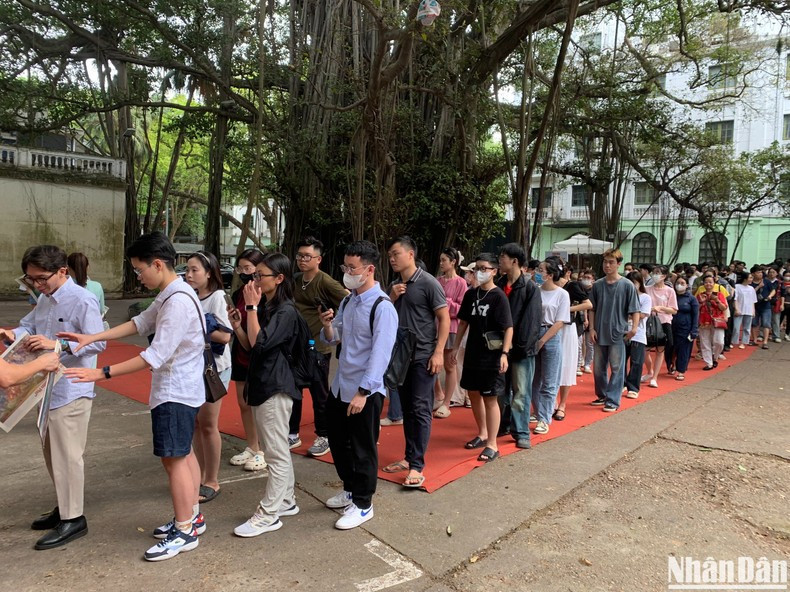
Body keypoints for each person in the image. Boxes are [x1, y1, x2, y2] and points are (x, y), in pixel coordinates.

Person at [61, 232, 204, 561]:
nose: (138, 278)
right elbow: (139, 322)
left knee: (175, 459)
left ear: (158, 264)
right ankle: (192, 517)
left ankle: (185, 530)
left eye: (139, 271)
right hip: (181, 388)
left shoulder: (178, 300)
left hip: (175, 390)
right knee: (182, 455)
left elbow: (154, 355)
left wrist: (102, 373)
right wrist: (91, 337)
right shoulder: (173, 292)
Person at [1, 246, 105, 551]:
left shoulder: (82, 299)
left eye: (41, 278)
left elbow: (97, 344)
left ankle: (74, 519)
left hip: (72, 386)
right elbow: (30, 325)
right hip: (45, 388)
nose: (36, 285)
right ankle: (64, 506)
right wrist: (13, 332)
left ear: (63, 271)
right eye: (31, 279)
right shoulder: (44, 298)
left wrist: (57, 346)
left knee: (68, 455)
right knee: (52, 452)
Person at [319, 241, 398, 529]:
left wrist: (364, 392)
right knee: (338, 442)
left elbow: (381, 354)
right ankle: (350, 489)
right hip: (341, 385)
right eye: (345, 267)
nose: (347, 273)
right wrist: (327, 325)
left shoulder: (382, 307)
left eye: (352, 268)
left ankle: (364, 503)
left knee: (363, 446)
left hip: (365, 390)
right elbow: (332, 337)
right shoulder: (348, 300)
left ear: (369, 269)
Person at [232, 253, 303, 537]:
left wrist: (250, 307)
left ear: (280, 278)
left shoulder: (285, 311)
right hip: (264, 384)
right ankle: (286, 501)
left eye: (260, 275)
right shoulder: (269, 307)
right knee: (278, 449)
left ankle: (269, 513)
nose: (254, 280)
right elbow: (250, 346)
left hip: (276, 387)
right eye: (253, 275)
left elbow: (260, 344)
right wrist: (240, 323)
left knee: (275, 453)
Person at [382, 236, 450, 489]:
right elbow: (385, 317)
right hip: (400, 356)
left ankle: (416, 466)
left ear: (410, 254)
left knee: (421, 409)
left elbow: (443, 318)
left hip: (423, 354)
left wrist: (439, 352)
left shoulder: (428, 282)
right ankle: (409, 457)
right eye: (389, 255)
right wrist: (392, 296)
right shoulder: (395, 285)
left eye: (396, 253)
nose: (392, 259)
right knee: (408, 409)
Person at [451, 253, 512, 462]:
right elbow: (463, 323)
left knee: (490, 397)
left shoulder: (499, 296)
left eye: (484, 268)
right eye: (477, 268)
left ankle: (492, 444)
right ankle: (482, 432)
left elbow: (508, 327)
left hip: (492, 356)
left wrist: (504, 353)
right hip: (473, 353)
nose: (479, 272)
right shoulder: (471, 295)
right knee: (474, 394)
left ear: (494, 271)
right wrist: (455, 347)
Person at [291, 236, 348, 457]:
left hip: (318, 347)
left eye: (307, 256)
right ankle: (292, 432)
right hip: (295, 345)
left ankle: (324, 435)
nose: (302, 260)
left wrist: (333, 323)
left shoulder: (326, 282)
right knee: (293, 391)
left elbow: (348, 301)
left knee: (319, 393)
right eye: (299, 256)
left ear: (319, 259)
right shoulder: (295, 280)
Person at [184, 251, 232, 504]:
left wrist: (193, 324)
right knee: (194, 423)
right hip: (192, 368)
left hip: (214, 369)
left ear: (209, 273)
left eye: (195, 270)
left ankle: (212, 479)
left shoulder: (217, 298)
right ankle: (199, 474)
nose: (189, 275)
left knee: (208, 424)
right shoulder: (188, 296)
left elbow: (225, 336)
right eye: (187, 270)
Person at [496, 243, 541, 449]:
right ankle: (502, 425)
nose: (500, 260)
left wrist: (519, 347)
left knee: (521, 391)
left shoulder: (529, 287)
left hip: (521, 349)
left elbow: (532, 323)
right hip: (499, 347)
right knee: (500, 391)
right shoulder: (498, 284)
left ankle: (521, 431)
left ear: (514, 261)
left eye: (503, 256)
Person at [226, 249, 267, 472]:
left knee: (259, 405)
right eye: (240, 268)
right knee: (243, 403)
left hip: (259, 354)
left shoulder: (265, 294)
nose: (243, 273)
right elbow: (240, 330)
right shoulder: (239, 293)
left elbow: (258, 336)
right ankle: (252, 446)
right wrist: (234, 324)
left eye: (248, 269)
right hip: (241, 352)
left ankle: (264, 450)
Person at [588, 249, 640, 412]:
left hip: (618, 332)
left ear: (619, 264)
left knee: (617, 367)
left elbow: (635, 309)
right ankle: (602, 395)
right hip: (599, 331)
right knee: (598, 367)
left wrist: (634, 328)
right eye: (605, 262)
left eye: (611, 262)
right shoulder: (597, 285)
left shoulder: (627, 285)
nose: (607, 265)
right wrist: (591, 328)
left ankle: (613, 399)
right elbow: (592, 308)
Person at [530, 257, 570, 433]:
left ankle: (544, 419)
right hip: (533, 333)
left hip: (551, 335)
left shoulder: (562, 294)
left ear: (550, 274)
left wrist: (542, 340)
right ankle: (540, 412)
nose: (537, 273)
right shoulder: (535, 291)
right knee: (533, 380)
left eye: (541, 270)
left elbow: (560, 322)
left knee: (549, 381)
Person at [433, 247, 467, 419]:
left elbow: (463, 309)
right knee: (432, 363)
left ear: (453, 262)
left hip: (452, 327)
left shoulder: (461, 283)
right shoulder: (437, 281)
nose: (441, 263)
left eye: (444, 260)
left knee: (449, 365)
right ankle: (438, 394)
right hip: (435, 326)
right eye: (440, 260)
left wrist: (446, 304)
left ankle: (447, 402)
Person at [554, 264, 591, 419]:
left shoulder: (573, 286)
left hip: (568, 328)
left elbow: (588, 304)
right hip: (551, 327)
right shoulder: (546, 287)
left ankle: (562, 404)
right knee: (551, 366)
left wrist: (566, 309)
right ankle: (551, 402)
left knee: (566, 365)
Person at [643, 265, 677, 387]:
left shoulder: (670, 291)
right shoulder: (647, 289)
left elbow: (674, 310)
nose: (655, 275)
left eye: (658, 273)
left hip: (664, 322)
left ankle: (655, 377)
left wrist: (661, 308)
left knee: (660, 350)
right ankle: (649, 371)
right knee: (644, 350)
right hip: (648, 322)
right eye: (654, 272)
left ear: (664, 276)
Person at [623, 271, 652, 398]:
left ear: (640, 283)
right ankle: (622, 383)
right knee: (621, 361)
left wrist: (630, 315)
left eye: (634, 282)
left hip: (638, 334)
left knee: (636, 361)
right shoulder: (623, 296)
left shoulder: (645, 297)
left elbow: (643, 314)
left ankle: (633, 387)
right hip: (622, 332)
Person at [67, 252, 107, 326]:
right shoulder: (97, 286)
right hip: (93, 327)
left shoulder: (63, 287)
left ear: (68, 268)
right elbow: (101, 310)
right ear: (87, 267)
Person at [697, 275, 728, 370]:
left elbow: (724, 308)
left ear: (714, 283)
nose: (708, 284)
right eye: (706, 282)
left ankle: (715, 356)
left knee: (719, 342)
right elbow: (696, 309)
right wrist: (701, 302)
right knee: (705, 342)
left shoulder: (719, 294)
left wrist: (717, 300)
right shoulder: (700, 295)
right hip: (704, 321)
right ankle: (709, 363)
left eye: (710, 282)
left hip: (717, 320)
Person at [671, 276, 699, 381]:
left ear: (687, 285)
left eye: (682, 283)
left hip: (685, 328)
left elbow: (696, 315)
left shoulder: (691, 299)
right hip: (671, 327)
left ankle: (681, 370)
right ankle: (671, 364)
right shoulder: (672, 296)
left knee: (684, 350)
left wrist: (694, 330)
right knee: (671, 349)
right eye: (678, 283)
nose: (679, 285)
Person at [750, 268, 774, 349]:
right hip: (754, 306)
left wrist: (770, 296)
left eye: (761, 272)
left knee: (766, 323)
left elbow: (773, 290)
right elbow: (750, 292)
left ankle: (765, 342)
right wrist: (759, 286)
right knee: (754, 323)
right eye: (758, 272)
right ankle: (754, 340)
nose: (760, 274)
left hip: (766, 305)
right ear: (753, 274)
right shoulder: (750, 283)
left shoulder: (766, 281)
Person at [732, 271, 756, 349]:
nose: (751, 279)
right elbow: (735, 299)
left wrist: (753, 311)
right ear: (745, 278)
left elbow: (753, 300)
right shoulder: (737, 286)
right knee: (736, 327)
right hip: (739, 309)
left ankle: (744, 342)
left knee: (747, 328)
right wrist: (736, 309)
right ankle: (734, 341)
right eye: (750, 277)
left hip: (748, 310)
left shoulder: (751, 288)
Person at [579, 269, 596, 373]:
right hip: (580, 319)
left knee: (589, 343)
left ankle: (587, 363)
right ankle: (579, 361)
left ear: (593, 280)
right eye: (584, 277)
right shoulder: (579, 289)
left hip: (591, 319)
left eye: (588, 278)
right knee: (580, 342)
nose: (586, 280)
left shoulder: (594, 291)